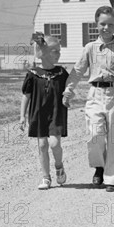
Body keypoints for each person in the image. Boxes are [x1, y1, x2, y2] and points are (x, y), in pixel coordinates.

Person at [62, 6, 114, 192]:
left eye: (110, 24)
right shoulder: (89, 48)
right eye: (102, 24)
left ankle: (112, 179)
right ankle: (99, 166)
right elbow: (77, 71)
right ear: (96, 24)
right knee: (94, 134)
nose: (106, 28)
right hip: (95, 95)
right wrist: (68, 91)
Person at [20, 33, 68, 190]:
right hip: (38, 113)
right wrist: (22, 116)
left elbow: (69, 89)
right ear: (44, 53)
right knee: (42, 145)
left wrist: (69, 96)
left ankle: (59, 166)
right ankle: (46, 177)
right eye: (55, 51)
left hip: (56, 112)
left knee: (54, 143)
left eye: (59, 50)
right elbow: (26, 96)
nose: (59, 54)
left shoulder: (61, 73)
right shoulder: (33, 74)